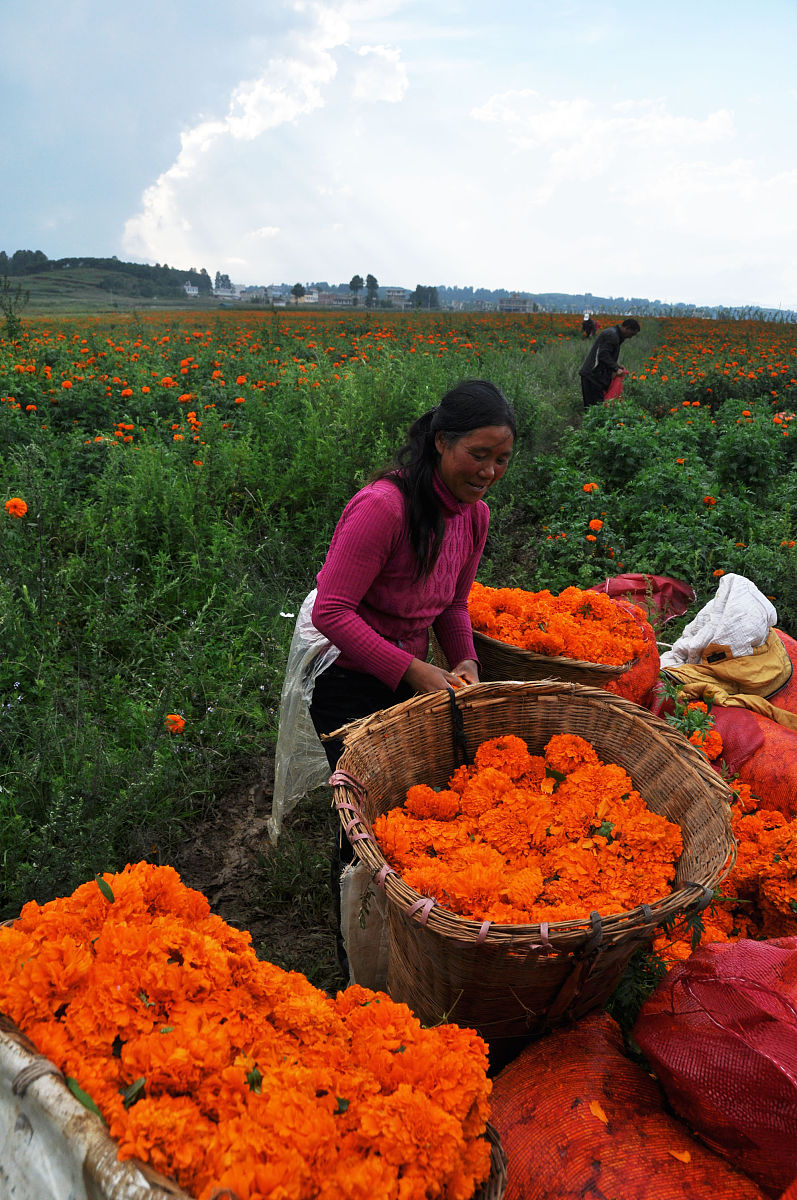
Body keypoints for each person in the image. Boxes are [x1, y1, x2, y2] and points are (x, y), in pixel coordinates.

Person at [306, 379, 516, 970]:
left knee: (412, 811)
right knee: (365, 822)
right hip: (349, 677)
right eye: (478, 455)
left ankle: (408, 941)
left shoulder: (474, 517)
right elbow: (331, 611)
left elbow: (452, 604)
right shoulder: (384, 508)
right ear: (441, 442)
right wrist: (413, 670)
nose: (490, 471)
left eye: (501, 460)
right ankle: (354, 950)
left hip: (406, 675)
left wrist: (464, 660)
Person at [579, 316, 640, 409]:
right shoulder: (612, 335)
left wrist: (617, 366)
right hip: (592, 376)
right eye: (631, 334)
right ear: (626, 328)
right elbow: (603, 355)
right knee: (593, 409)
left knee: (595, 408)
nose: (630, 337)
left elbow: (606, 355)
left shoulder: (615, 334)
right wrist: (615, 368)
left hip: (596, 376)